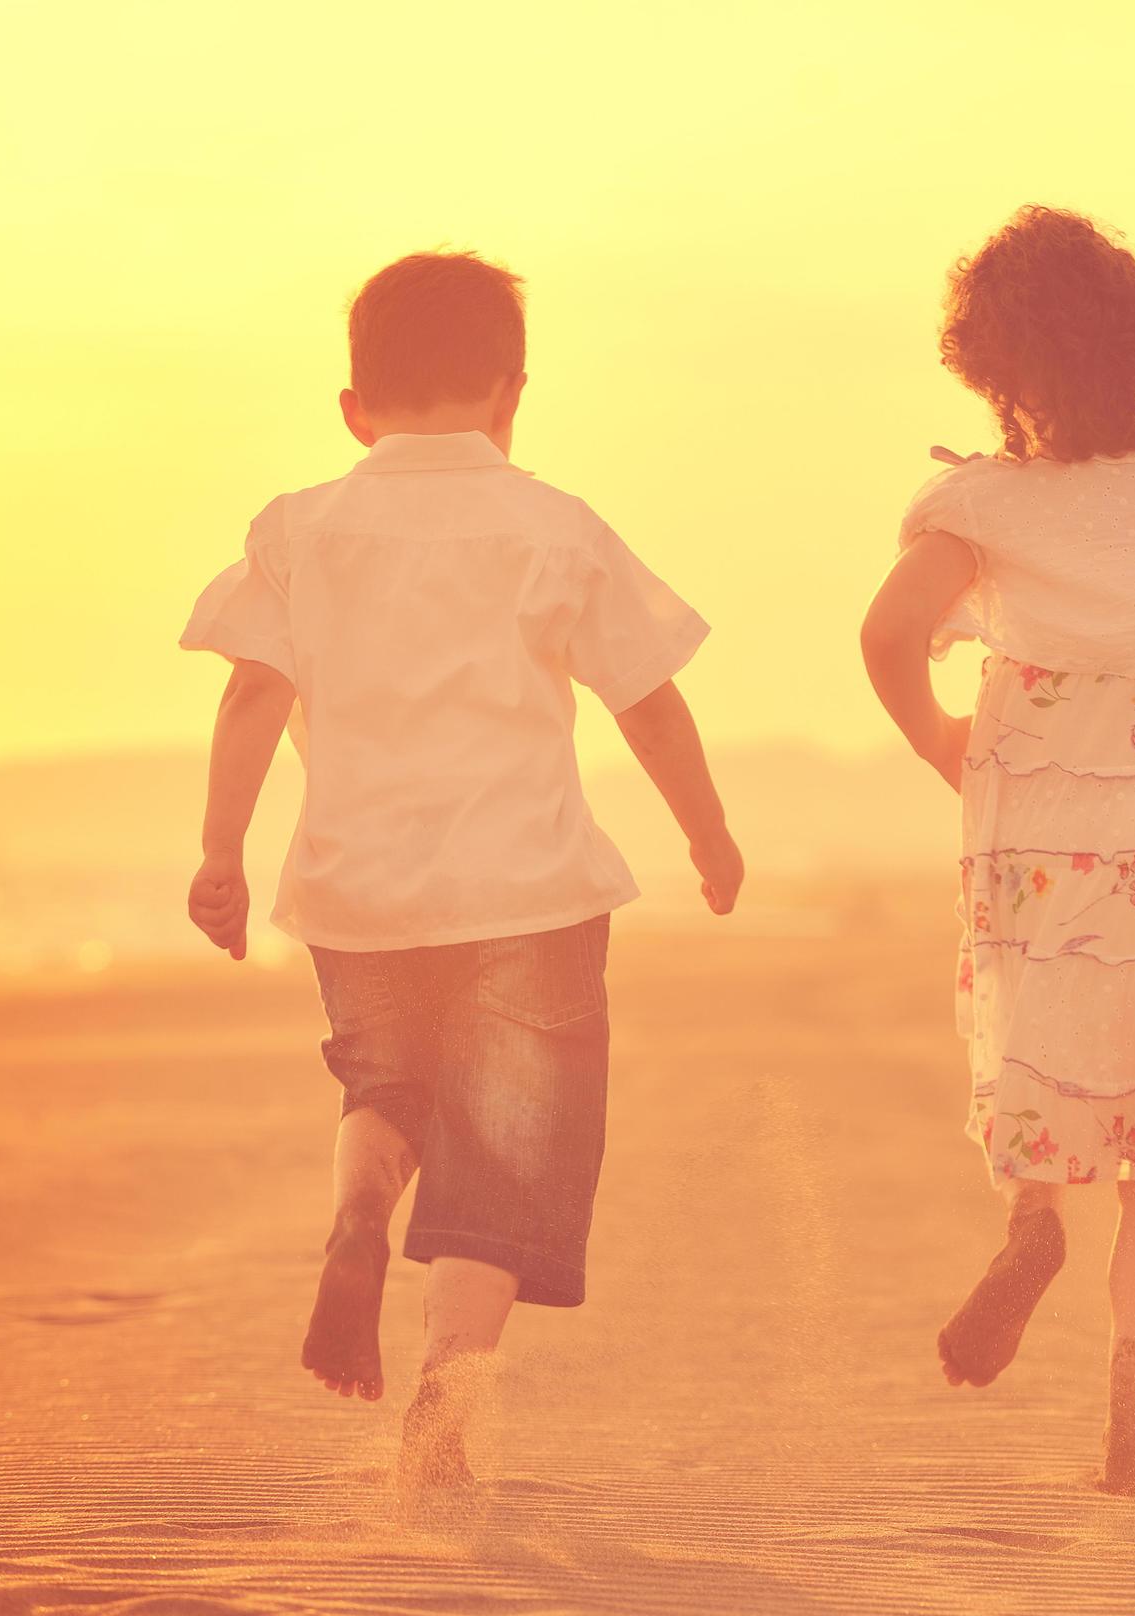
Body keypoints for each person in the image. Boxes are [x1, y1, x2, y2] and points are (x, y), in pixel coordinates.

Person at [178, 249, 741, 1483]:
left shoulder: (297, 529)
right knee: (509, 1154)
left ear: (353, 407)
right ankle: (443, 1405)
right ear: (512, 393)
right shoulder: (555, 526)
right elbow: (645, 702)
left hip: (359, 894)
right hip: (527, 892)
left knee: (385, 1088)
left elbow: (252, 695)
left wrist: (221, 851)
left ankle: (355, 1218)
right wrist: (706, 832)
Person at [858, 207, 1135, 1495]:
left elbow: (887, 636)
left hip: (1042, 815)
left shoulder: (976, 503)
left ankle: (1034, 1217)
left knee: (1045, 1048)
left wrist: (948, 742)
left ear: (990, 366)